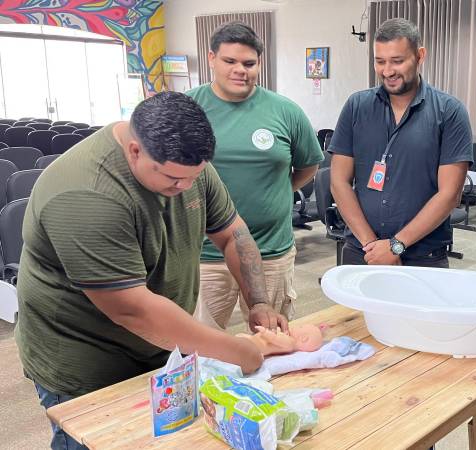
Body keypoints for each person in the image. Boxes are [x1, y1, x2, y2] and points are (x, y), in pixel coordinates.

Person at [15, 91, 287, 450]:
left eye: (194, 176)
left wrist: (259, 302)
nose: (185, 187)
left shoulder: (186, 165)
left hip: (161, 345)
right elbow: (133, 310)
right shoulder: (85, 194)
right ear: (134, 151)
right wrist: (238, 351)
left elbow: (233, 234)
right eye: (174, 179)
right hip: (85, 358)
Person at [187, 21, 323, 330]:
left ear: (259, 64)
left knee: (274, 339)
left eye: (249, 63)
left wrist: (279, 191)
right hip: (206, 255)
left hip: (270, 251)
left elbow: (308, 165)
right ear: (211, 59)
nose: (240, 70)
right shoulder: (188, 109)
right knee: (198, 344)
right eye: (230, 61)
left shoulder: (285, 111)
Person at [329, 18, 472, 268]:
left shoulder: (449, 111)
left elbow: (450, 194)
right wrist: (372, 246)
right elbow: (339, 182)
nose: (387, 71)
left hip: (422, 258)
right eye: (380, 61)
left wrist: (396, 245)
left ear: (420, 55)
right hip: (362, 252)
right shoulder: (356, 107)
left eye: (397, 61)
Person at [237, 323, 324, 355]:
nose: (296, 327)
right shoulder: (289, 341)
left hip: (256, 346)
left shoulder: (290, 343)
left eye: (300, 327)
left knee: (241, 342)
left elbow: (274, 338)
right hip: (255, 343)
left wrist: (265, 332)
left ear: (303, 338)